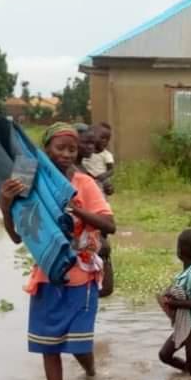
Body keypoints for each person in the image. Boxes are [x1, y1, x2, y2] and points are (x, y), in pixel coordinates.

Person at [0, 122, 116, 380]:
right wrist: (6, 205)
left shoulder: (84, 183)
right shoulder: (28, 181)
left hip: (81, 275)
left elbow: (109, 225)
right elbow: (18, 236)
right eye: (60, 148)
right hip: (48, 273)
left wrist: (78, 212)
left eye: (72, 149)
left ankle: (90, 373)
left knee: (78, 342)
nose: (66, 154)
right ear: (46, 149)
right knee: (48, 346)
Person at [158, 229, 191, 377]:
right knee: (164, 355)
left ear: (181, 250)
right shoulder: (186, 273)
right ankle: (187, 374)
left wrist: (177, 304)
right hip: (184, 325)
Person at [75, 123, 114, 297]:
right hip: (83, 238)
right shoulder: (73, 171)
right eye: (86, 143)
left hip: (93, 234)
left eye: (93, 142)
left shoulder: (83, 170)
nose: (91, 146)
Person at [82, 122, 115, 196]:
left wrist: (104, 176)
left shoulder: (107, 155)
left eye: (107, 139)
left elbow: (111, 170)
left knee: (102, 196)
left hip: (101, 180)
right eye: (102, 138)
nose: (105, 141)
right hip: (87, 180)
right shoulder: (87, 153)